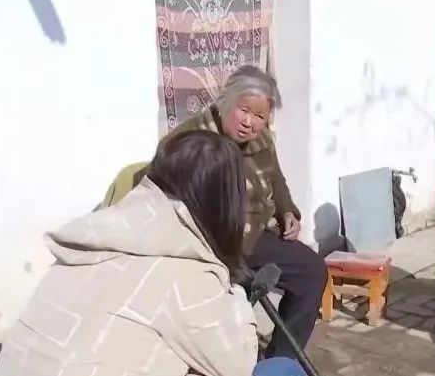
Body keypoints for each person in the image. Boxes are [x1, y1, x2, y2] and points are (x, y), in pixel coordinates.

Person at [0, 131, 308, 376]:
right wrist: (235, 291)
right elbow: (239, 362)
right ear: (226, 201)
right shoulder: (186, 267)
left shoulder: (95, 236)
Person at [129, 65, 327, 358]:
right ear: (225, 102)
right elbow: (158, 192)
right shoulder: (191, 140)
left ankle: (282, 360)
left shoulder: (261, 140)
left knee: (311, 270)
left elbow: (276, 179)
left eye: (259, 116)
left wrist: (288, 212)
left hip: (253, 235)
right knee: (222, 293)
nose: (249, 122)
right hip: (210, 241)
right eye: (243, 110)